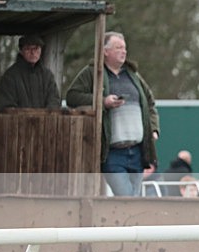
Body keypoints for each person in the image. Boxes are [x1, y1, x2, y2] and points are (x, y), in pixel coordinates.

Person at [66, 31, 159, 196]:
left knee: (133, 199)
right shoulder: (92, 73)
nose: (123, 52)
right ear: (105, 51)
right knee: (126, 197)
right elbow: (72, 97)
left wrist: (153, 129)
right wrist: (102, 101)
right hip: (113, 152)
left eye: (124, 48)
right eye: (118, 48)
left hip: (138, 150)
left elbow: (150, 103)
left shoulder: (133, 75)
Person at [0, 35, 61, 109]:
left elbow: (54, 101)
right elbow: (8, 106)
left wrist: (46, 116)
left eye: (36, 48)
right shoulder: (10, 76)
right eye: (28, 49)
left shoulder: (47, 75)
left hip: (45, 120)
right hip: (18, 120)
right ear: (21, 51)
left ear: (41, 50)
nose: (33, 52)